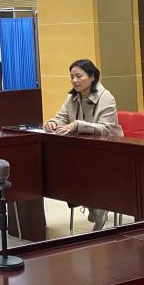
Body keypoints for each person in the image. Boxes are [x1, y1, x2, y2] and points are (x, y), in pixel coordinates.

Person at [44, 59, 122, 229]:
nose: (74, 80)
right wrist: (52, 123)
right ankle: (93, 205)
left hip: (109, 151)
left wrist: (76, 125)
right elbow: (61, 117)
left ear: (92, 77)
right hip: (83, 151)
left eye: (79, 76)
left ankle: (97, 206)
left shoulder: (106, 97)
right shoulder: (72, 97)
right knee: (62, 171)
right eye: (72, 77)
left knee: (82, 172)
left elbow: (105, 129)